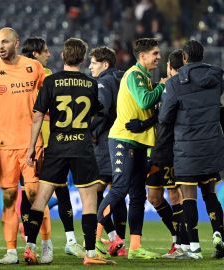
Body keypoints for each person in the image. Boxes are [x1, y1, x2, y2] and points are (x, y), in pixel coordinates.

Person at [24, 37, 114, 266]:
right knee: (89, 201)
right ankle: (91, 254)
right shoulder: (90, 84)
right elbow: (94, 113)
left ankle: (30, 247)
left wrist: (31, 148)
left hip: (56, 146)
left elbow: (37, 116)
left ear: (63, 56)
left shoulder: (51, 81)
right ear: (83, 59)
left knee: (41, 198)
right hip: (82, 146)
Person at [0, 27, 52, 264]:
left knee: (35, 194)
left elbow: (51, 95)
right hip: (4, 145)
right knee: (8, 197)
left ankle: (45, 244)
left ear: (16, 42)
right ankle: (10, 251)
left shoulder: (34, 67)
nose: (0, 46)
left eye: (5, 41)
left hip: (31, 143)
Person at [159, 40, 224, 260]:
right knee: (210, 194)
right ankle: (218, 235)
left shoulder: (175, 83)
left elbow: (165, 117)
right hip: (211, 146)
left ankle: (195, 248)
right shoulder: (216, 78)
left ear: (185, 58)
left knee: (188, 197)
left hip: (187, 149)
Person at [97, 38, 164, 260]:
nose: (158, 57)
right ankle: (95, 242)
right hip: (123, 140)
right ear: (142, 56)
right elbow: (145, 102)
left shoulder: (144, 77)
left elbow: (149, 112)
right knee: (119, 189)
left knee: (137, 196)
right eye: (155, 53)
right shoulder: (135, 75)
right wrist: (162, 86)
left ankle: (135, 247)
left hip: (139, 142)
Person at [20, 37, 85, 257]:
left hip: (36, 143)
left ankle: (42, 244)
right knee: (38, 193)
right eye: (45, 51)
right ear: (35, 54)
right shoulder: (46, 76)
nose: (49, 55)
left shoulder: (39, 77)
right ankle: (44, 243)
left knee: (39, 193)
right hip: (39, 142)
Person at [132, 49, 190, 259]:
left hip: (172, 149)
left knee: (175, 194)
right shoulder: (164, 87)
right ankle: (178, 236)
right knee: (154, 197)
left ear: (169, 67)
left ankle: (182, 242)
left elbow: (165, 117)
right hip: (156, 149)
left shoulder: (180, 89)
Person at [88, 46, 128, 257]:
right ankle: (118, 241)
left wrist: (90, 131)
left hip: (104, 144)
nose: (90, 67)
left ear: (104, 64)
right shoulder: (122, 79)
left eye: (93, 63)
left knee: (94, 193)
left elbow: (101, 109)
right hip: (122, 141)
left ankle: (114, 238)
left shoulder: (103, 81)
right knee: (118, 194)